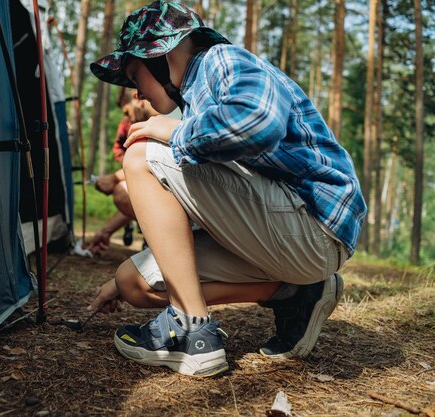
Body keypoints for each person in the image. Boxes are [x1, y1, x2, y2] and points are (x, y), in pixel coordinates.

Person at [86, 0, 367, 378]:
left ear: (160, 56)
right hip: (282, 239)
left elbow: (258, 122)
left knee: (140, 155)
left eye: (136, 77)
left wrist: (173, 132)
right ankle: (294, 292)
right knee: (133, 283)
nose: (137, 94)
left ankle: (191, 330)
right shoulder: (196, 98)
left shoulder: (222, 60)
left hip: (314, 223)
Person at [87, 88, 159, 254]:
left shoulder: (162, 118)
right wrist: (106, 231)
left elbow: (151, 161)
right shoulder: (149, 122)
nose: (129, 118)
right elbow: (140, 202)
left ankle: (167, 247)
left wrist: (113, 178)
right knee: (130, 190)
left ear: (138, 98)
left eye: (127, 111)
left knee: (122, 190)